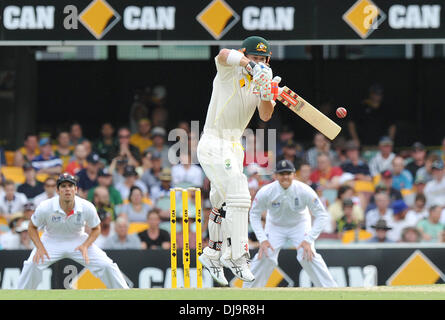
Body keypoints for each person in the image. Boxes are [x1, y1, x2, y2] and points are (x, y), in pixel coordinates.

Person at [197, 35, 279, 284]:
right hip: (213, 141)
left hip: (234, 147)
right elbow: (222, 53)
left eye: (263, 59)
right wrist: (249, 65)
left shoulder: (263, 77)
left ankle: (212, 252)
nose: (259, 62)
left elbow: (265, 116)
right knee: (240, 193)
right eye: (255, 57)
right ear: (245, 54)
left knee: (222, 203)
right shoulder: (229, 69)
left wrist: (266, 92)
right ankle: (238, 256)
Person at [17, 172, 129, 289]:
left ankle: (124, 295)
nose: (67, 189)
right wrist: (39, 247)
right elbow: (32, 227)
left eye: (70, 186)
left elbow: (96, 228)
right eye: (63, 186)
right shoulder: (45, 207)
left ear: (75, 189)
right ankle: (21, 296)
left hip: (78, 241)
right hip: (51, 241)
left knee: (106, 265)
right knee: (31, 265)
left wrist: (85, 245)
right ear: (57, 190)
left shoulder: (87, 206)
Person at [243, 160, 337, 288]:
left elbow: (322, 215)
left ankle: (331, 290)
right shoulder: (267, 191)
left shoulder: (304, 190)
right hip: (275, 225)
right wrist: (263, 239)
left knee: (307, 254)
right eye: (282, 174)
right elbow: (254, 214)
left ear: (294, 175)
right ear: (275, 176)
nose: (285, 177)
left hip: (300, 224)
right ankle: (247, 293)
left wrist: (309, 239)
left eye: (288, 173)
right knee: (265, 254)